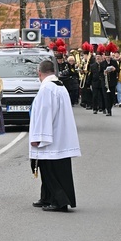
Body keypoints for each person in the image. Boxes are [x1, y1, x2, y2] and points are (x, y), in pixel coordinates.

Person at [29, 60, 80, 212]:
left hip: (52, 138)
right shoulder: (58, 85)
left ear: (39, 73)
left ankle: (60, 201)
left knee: (51, 169)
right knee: (47, 168)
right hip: (59, 135)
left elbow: (44, 115)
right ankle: (47, 196)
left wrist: (38, 137)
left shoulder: (47, 88)